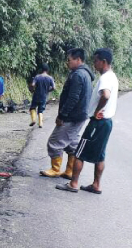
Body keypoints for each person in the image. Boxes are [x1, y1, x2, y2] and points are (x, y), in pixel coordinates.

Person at [57, 48, 118, 194]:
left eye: (96, 61)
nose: (94, 64)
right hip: (107, 122)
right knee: (100, 155)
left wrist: (97, 111)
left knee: (79, 152)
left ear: (103, 61)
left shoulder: (105, 78)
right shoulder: (113, 76)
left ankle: (73, 183)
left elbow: (105, 95)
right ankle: (96, 185)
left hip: (98, 122)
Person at [40, 48, 94, 179]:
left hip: (72, 116)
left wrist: (62, 115)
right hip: (80, 115)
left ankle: (55, 169)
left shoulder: (78, 75)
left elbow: (73, 98)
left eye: (69, 60)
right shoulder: (85, 74)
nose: (67, 63)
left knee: (54, 142)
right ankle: (70, 171)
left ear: (78, 59)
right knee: (71, 143)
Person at [29, 64, 55, 128]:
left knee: (33, 108)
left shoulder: (37, 77)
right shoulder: (50, 78)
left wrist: (32, 89)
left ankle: (33, 120)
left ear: (41, 69)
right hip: (44, 96)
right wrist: (48, 90)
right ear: (48, 70)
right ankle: (40, 123)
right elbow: (54, 87)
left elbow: (33, 84)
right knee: (41, 110)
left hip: (36, 95)